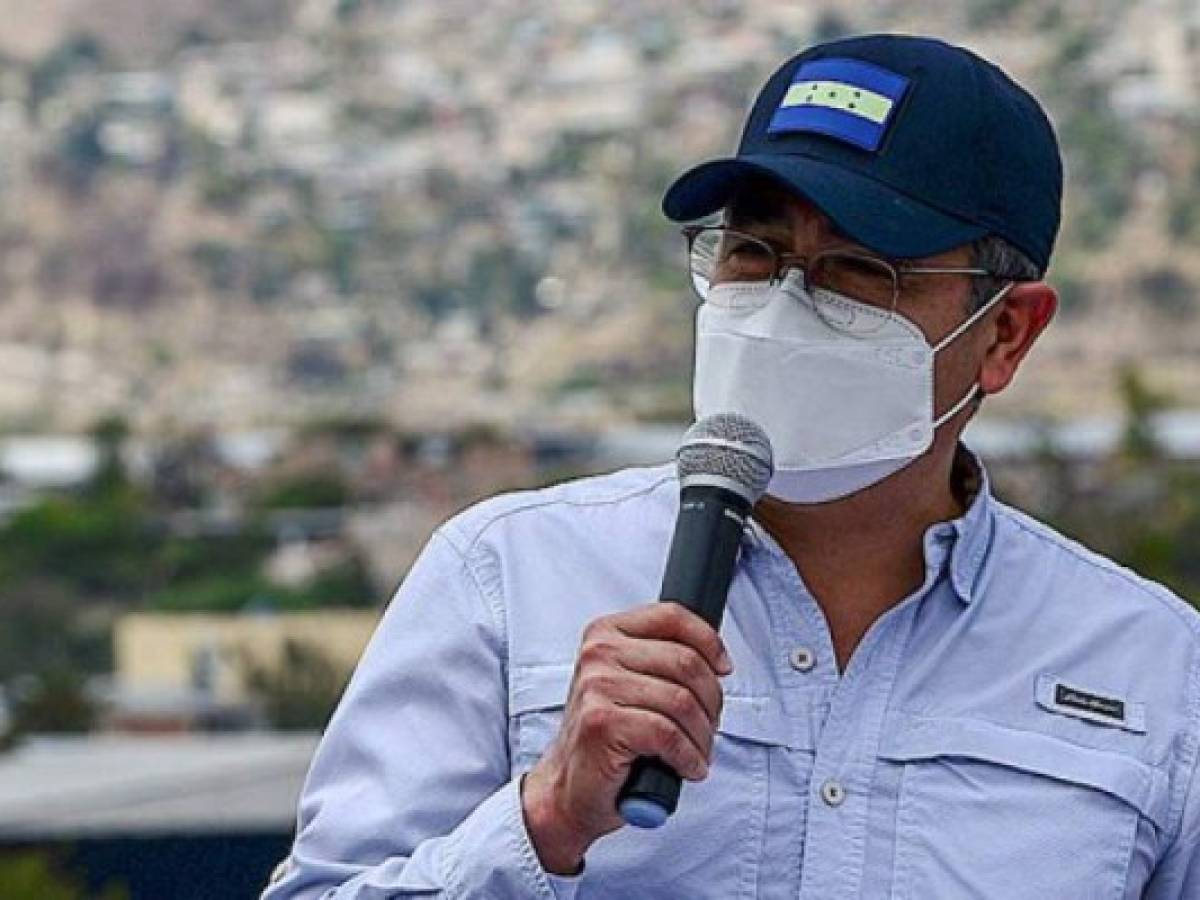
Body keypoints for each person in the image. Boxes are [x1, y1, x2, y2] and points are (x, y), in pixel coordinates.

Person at [263, 34, 1200, 899]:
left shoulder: (1154, 670)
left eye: (858, 269)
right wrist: (543, 818)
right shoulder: (504, 580)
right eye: (755, 251)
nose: (788, 302)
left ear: (1005, 333)